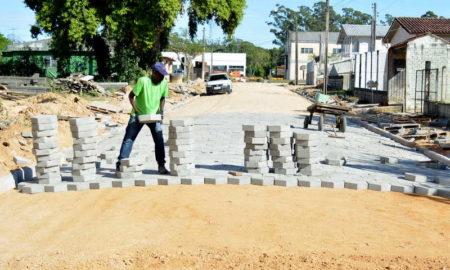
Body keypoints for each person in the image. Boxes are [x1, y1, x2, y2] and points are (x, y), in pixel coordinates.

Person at [116, 62, 170, 175]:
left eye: (163, 75)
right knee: (129, 139)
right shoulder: (143, 81)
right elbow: (131, 96)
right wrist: (136, 112)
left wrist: (161, 112)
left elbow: (162, 98)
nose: (162, 77)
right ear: (153, 72)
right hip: (138, 115)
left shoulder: (164, 83)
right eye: (160, 74)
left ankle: (161, 166)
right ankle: (121, 163)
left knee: (159, 140)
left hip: (154, 116)